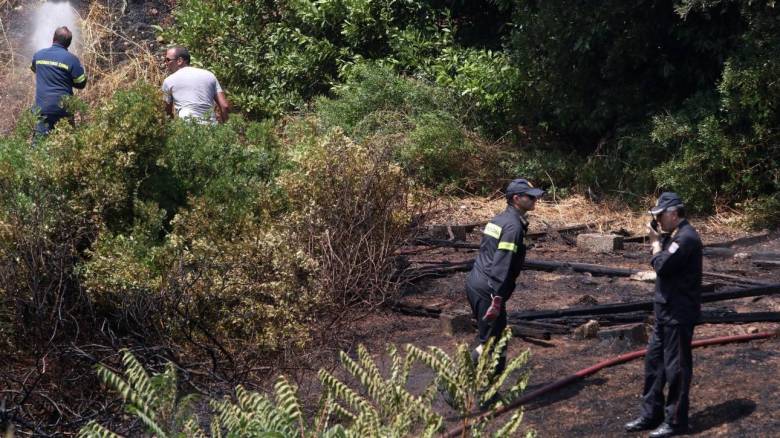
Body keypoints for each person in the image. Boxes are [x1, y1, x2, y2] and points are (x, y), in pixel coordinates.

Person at [625, 192, 703, 437]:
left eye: (660, 215)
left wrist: (655, 244)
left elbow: (661, 266)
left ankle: (676, 421)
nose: (657, 220)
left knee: (676, 369)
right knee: (654, 365)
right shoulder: (674, 236)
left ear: (673, 213)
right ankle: (651, 414)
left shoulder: (686, 238)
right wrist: (661, 242)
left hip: (678, 315)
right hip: (664, 312)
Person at [466, 178, 544, 373]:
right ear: (516, 198)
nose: (535, 200)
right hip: (489, 289)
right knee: (494, 343)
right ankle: (459, 381)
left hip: (477, 282)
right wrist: (497, 298)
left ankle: (482, 386)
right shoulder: (513, 227)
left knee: (491, 338)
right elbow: (503, 263)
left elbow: (486, 252)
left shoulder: (499, 220)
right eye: (530, 197)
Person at [30, 26, 87, 137]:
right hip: (63, 109)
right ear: (68, 44)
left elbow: (34, 69)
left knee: (39, 144)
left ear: (53, 39)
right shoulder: (72, 59)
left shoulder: (39, 55)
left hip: (42, 108)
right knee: (66, 143)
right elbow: (81, 83)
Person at [161, 47, 230, 124]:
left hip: (187, 128)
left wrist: (172, 129)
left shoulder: (169, 81)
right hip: (210, 129)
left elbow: (166, 112)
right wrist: (226, 129)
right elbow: (224, 106)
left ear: (179, 61)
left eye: (168, 60)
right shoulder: (210, 75)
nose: (165, 63)